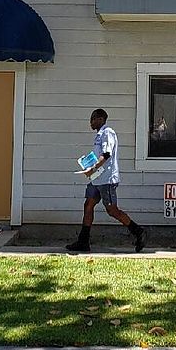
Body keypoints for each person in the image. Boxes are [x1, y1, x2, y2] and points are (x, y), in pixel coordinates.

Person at [66, 108, 147, 253]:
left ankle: (139, 231)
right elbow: (99, 155)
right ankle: (83, 242)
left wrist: (93, 168)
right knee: (88, 205)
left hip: (107, 179)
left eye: (93, 118)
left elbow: (107, 154)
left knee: (112, 210)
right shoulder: (99, 135)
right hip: (96, 178)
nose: (91, 122)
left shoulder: (108, 133)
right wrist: (89, 164)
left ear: (101, 119)